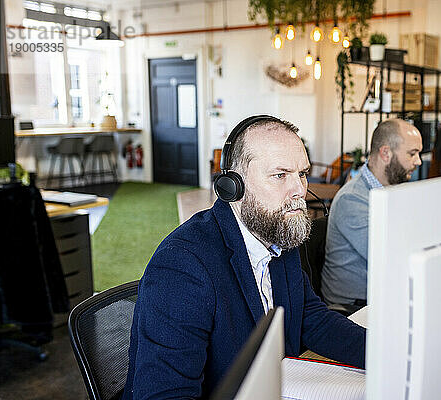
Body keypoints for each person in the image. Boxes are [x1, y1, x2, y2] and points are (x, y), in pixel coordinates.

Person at [122, 115, 365, 399]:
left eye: (301, 173)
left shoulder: (277, 233)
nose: (299, 189)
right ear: (233, 186)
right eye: (280, 175)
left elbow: (311, 318)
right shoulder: (182, 266)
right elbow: (165, 394)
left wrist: (385, 355)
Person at [321, 119, 423, 306]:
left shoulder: (393, 190)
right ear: (385, 153)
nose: (418, 161)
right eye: (412, 154)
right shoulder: (351, 199)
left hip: (381, 295)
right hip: (353, 307)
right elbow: (392, 256)